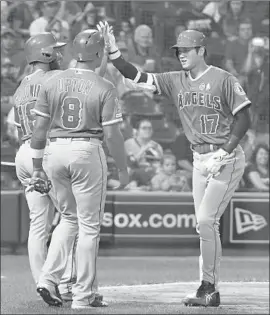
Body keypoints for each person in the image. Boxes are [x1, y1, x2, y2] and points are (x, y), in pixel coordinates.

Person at [100, 22, 251, 307]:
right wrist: (115, 53)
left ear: (201, 50)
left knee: (207, 221)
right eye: (179, 50)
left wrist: (227, 151)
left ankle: (209, 287)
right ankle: (207, 286)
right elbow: (139, 77)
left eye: (187, 50)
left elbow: (245, 118)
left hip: (226, 157)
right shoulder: (175, 79)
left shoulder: (223, 79)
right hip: (198, 159)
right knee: (203, 226)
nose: (181, 54)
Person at [30, 29, 129, 309]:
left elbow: (39, 129)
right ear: (99, 54)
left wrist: (37, 167)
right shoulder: (104, 85)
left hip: (54, 149)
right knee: (88, 226)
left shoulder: (52, 81)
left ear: (74, 52)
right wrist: (122, 169)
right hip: (86, 149)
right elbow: (113, 136)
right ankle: (83, 295)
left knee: (68, 218)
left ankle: (48, 279)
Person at [13, 32, 77, 301]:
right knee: (71, 216)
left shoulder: (19, 88)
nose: (60, 54)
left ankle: (42, 281)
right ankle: (62, 282)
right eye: (56, 50)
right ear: (45, 54)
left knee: (38, 225)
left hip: (24, 153)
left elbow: (19, 131)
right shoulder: (54, 78)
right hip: (46, 151)